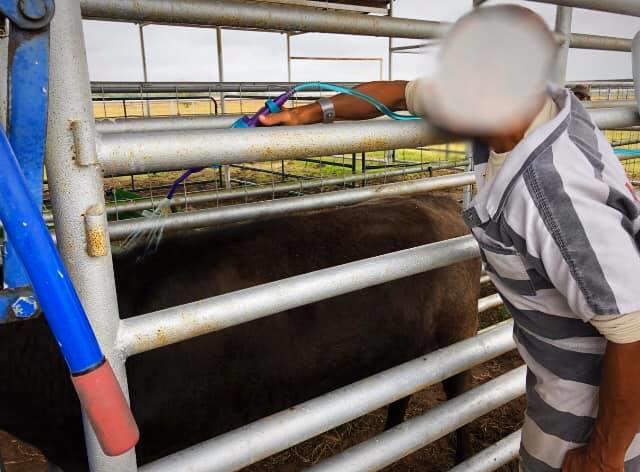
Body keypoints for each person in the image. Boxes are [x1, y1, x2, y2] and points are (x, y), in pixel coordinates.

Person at [260, 10, 640, 472]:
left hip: (594, 411)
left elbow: (634, 330)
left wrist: (605, 454)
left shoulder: (551, 195)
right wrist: (312, 113)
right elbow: (399, 92)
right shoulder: (533, 106)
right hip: (559, 381)